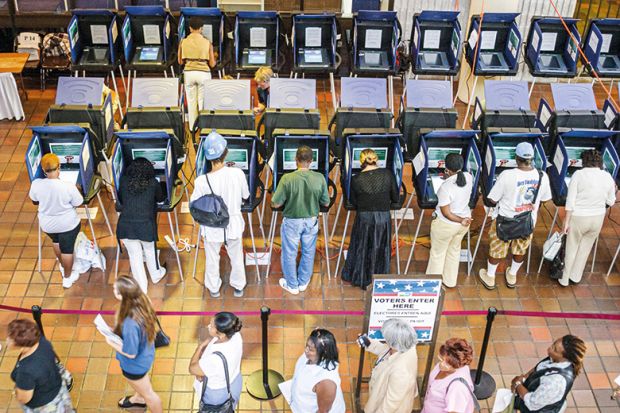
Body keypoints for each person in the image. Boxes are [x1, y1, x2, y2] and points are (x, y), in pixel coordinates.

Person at [478, 142, 552, 289]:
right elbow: (545, 198)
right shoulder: (542, 176)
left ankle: (491, 276)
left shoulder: (507, 175)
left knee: (497, 249)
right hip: (527, 221)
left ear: (516, 158)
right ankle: (512, 275)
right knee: (520, 249)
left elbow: (492, 199)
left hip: (504, 221)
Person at [190, 131, 249, 298]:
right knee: (236, 257)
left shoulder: (201, 181)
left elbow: (194, 205)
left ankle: (214, 288)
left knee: (212, 258)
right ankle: (238, 286)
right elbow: (245, 196)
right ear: (226, 153)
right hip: (233, 225)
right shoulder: (237, 174)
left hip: (211, 227)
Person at [272, 146, 330, 295]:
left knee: (289, 253)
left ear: (296, 160)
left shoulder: (287, 178)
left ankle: (292, 285)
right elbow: (326, 203)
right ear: (311, 161)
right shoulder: (320, 178)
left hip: (292, 222)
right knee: (308, 251)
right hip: (311, 221)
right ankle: (303, 282)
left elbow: (275, 203)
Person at [341, 148, 399, 289]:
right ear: (376, 159)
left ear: (361, 161)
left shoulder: (356, 179)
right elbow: (396, 197)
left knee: (362, 247)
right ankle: (378, 278)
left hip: (365, 217)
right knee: (380, 247)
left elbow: (354, 202)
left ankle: (360, 277)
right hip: (383, 217)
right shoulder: (387, 174)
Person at [106, 276, 162, 412]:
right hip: (146, 353)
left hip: (135, 365)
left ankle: (144, 400)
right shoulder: (141, 301)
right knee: (142, 385)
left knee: (149, 394)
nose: (113, 289)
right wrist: (116, 331)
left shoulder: (130, 323)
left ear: (123, 295)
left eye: (115, 289)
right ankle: (138, 398)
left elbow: (131, 353)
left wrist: (111, 341)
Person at [560, 149, 616, 286]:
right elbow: (611, 202)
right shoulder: (608, 177)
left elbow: (570, 201)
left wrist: (566, 222)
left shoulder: (578, 175)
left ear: (584, 162)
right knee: (585, 248)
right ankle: (576, 277)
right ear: (600, 163)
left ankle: (564, 279)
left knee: (571, 248)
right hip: (597, 218)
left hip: (579, 217)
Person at [28, 153, 83, 289]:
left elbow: (34, 200)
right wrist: (78, 189)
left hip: (48, 225)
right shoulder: (68, 186)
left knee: (56, 241)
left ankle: (62, 265)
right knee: (67, 249)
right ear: (59, 167)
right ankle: (68, 277)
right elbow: (79, 202)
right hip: (68, 224)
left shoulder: (36, 184)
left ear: (43, 169)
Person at [116, 158, 167, 294]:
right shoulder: (153, 183)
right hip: (146, 226)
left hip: (126, 226)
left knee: (135, 256)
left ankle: (141, 289)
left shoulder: (124, 181)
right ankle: (156, 275)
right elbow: (161, 199)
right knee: (150, 251)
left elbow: (121, 200)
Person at [427, 153, 474, 288]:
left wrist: (460, 220)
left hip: (447, 225)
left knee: (437, 253)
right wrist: (463, 220)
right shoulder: (469, 177)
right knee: (454, 251)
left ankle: (432, 284)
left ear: (446, 169)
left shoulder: (445, 187)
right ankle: (450, 281)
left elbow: (446, 213)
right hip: (463, 225)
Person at [8, 319, 74, 412]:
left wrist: (17, 392)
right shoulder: (42, 342)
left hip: (44, 405)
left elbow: (24, 398)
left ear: (22, 345)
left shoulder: (26, 371)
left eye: (10, 338)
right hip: (57, 390)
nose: (7, 340)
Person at [511, 335, 586, 412]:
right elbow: (539, 368)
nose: (549, 348)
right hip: (535, 395)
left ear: (565, 357)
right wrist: (525, 377)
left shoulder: (556, 382)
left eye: (555, 349)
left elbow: (531, 403)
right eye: (553, 344)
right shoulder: (556, 358)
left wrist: (517, 384)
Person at [363, 319, 419, 413]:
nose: (385, 340)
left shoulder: (401, 372)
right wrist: (369, 343)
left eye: (387, 339)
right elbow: (385, 350)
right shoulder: (406, 346)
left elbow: (390, 404)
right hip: (382, 394)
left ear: (393, 343)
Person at [189, 312, 243, 408]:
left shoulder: (215, 360)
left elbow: (192, 369)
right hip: (235, 381)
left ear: (221, 335)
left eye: (212, 326)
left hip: (217, 396)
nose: (208, 326)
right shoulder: (235, 335)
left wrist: (199, 348)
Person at [289, 329, 346, 413]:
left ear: (323, 353)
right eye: (306, 346)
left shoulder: (326, 382)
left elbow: (323, 411)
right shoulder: (311, 356)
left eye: (311, 349)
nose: (306, 350)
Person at [178, 16, 216, 129]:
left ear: (190, 28)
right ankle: (204, 127)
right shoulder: (207, 42)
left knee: (191, 102)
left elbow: (180, 61)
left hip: (189, 73)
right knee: (202, 102)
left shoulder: (183, 42)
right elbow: (212, 64)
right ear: (201, 28)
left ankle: (192, 128)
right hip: (203, 73)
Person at [421, 338, 477, 413]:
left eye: (447, 363)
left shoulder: (458, 387)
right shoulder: (446, 363)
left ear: (457, 365)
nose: (441, 364)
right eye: (441, 359)